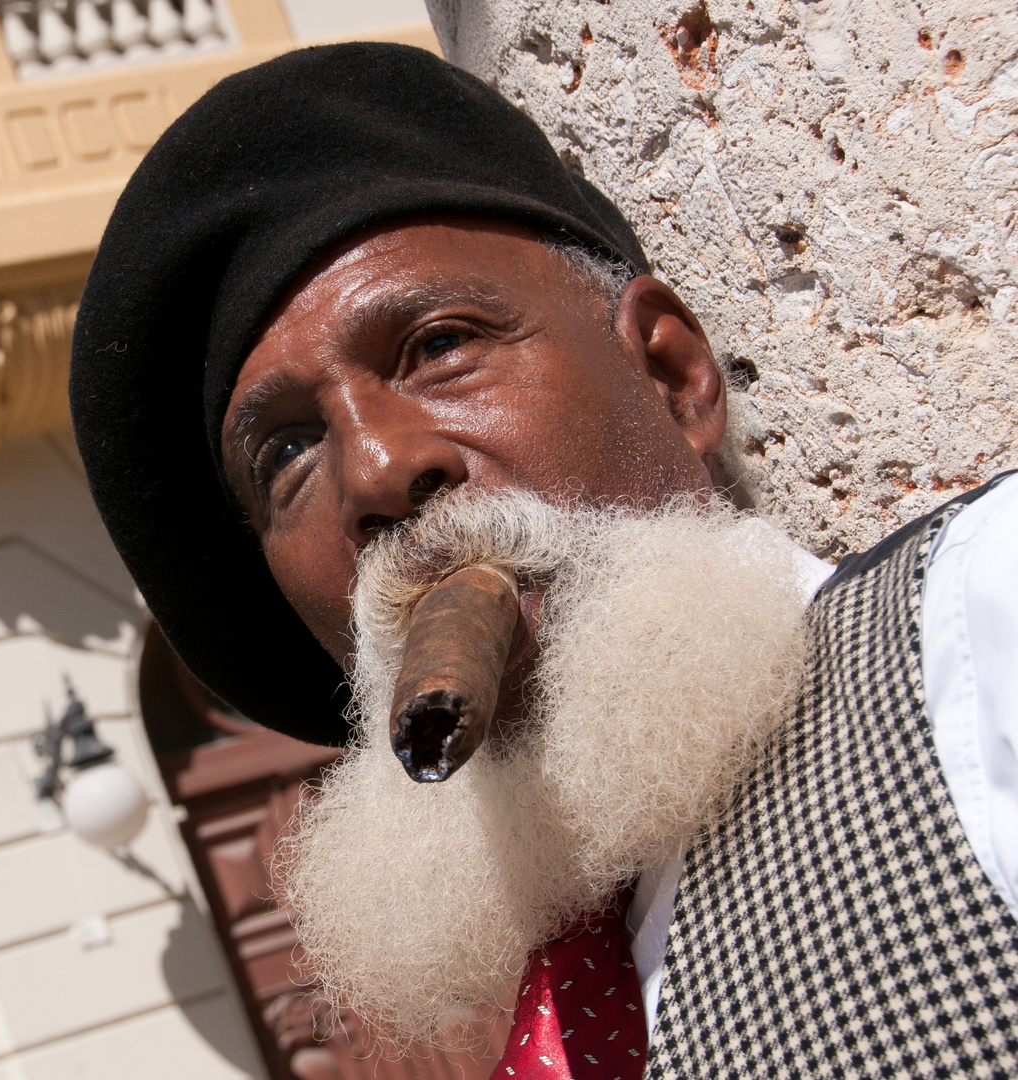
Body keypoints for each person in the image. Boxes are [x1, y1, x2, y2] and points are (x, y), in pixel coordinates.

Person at [68, 42, 1018, 1079]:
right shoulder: (554, 997)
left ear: (670, 373)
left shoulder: (978, 626)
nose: (378, 470)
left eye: (438, 347)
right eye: (288, 452)